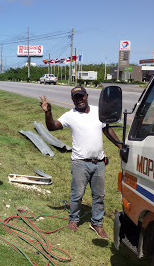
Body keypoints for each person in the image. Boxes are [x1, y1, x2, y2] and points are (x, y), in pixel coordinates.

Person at [39, 86, 121, 239]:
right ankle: (74, 220)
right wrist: (48, 112)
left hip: (99, 163)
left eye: (81, 96)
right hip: (79, 163)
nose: (79, 99)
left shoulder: (98, 111)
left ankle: (96, 223)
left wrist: (120, 145)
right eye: (75, 97)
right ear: (72, 100)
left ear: (87, 96)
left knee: (99, 196)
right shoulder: (70, 116)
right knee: (77, 194)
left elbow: (107, 129)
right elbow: (52, 127)